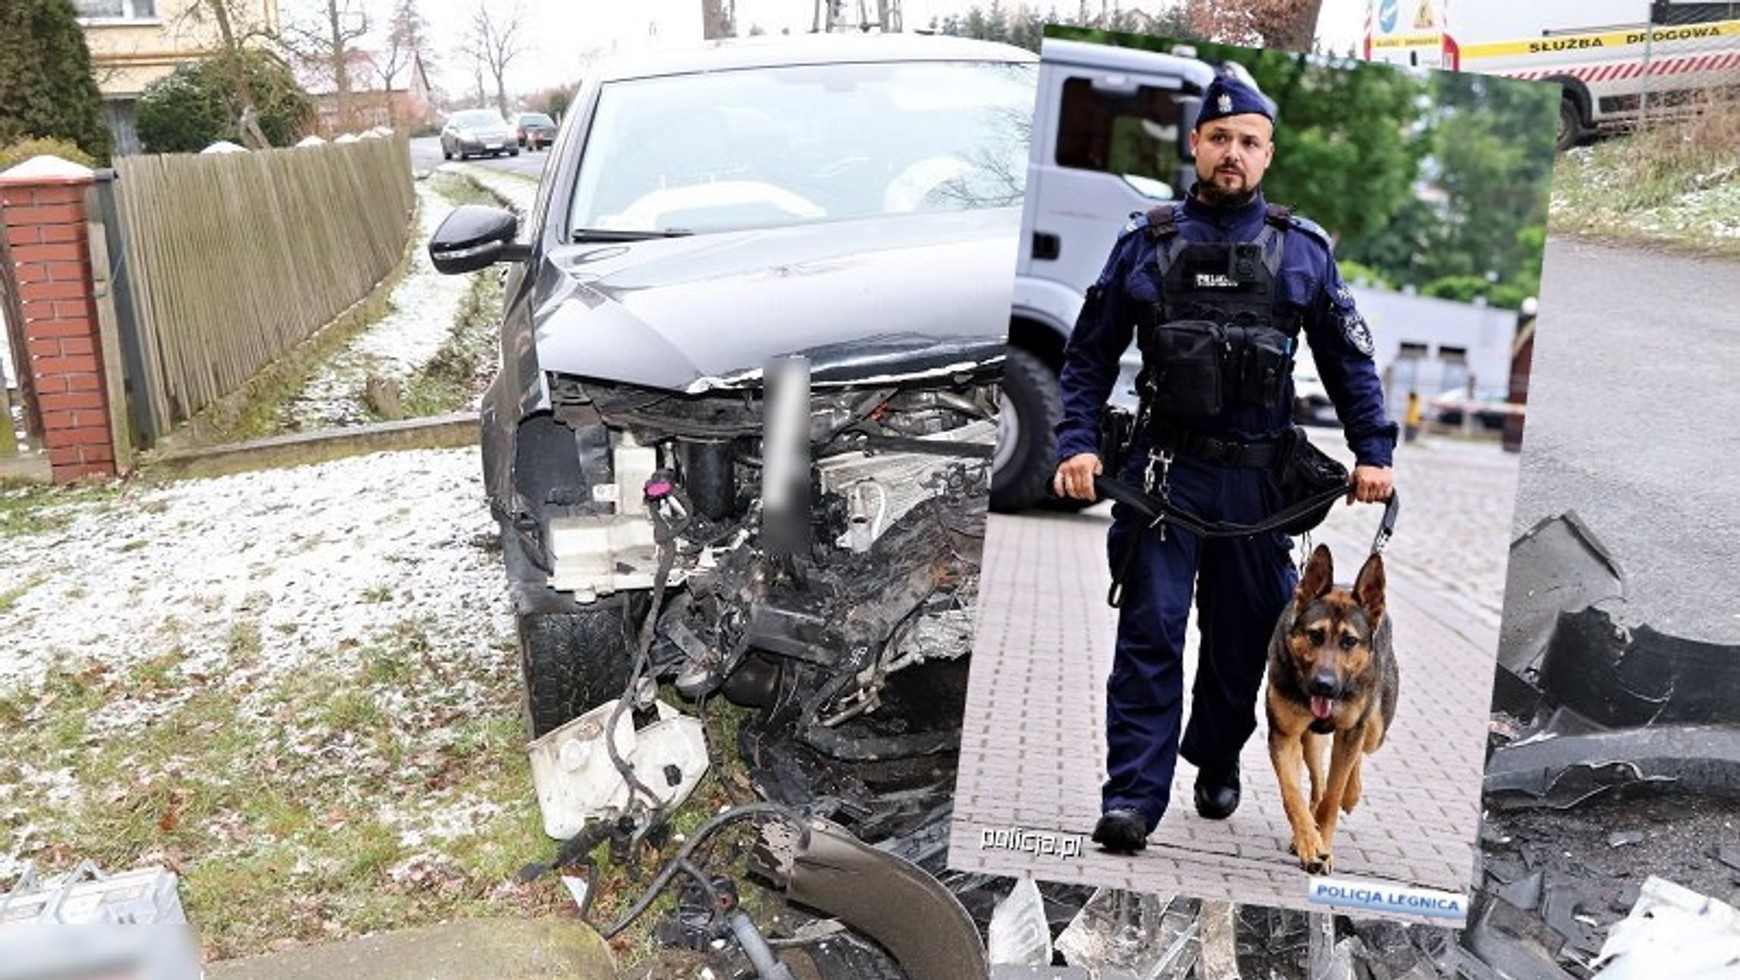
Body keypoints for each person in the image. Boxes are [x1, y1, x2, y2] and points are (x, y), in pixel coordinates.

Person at [1051, 69, 1398, 853]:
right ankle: (1132, 798)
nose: (1231, 152)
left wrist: (1372, 452)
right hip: (1164, 478)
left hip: (1257, 486)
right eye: (1219, 138)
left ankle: (1214, 755)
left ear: (1267, 155)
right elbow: (1087, 357)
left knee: (1243, 643)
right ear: (1195, 145)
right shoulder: (1146, 244)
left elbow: (1348, 361)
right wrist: (1076, 444)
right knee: (1151, 635)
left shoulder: (1301, 251)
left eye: (1248, 141)